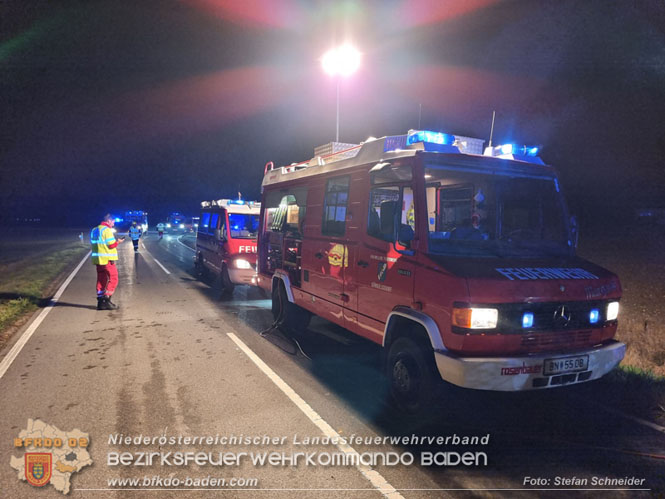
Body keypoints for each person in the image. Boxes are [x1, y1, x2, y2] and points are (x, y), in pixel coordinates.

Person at [90, 213, 125, 310]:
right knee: (113, 278)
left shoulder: (95, 230)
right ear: (109, 220)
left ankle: (100, 302)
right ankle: (106, 300)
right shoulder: (107, 230)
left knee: (101, 279)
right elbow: (111, 245)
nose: (113, 223)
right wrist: (118, 242)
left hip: (98, 259)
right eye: (113, 221)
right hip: (107, 259)